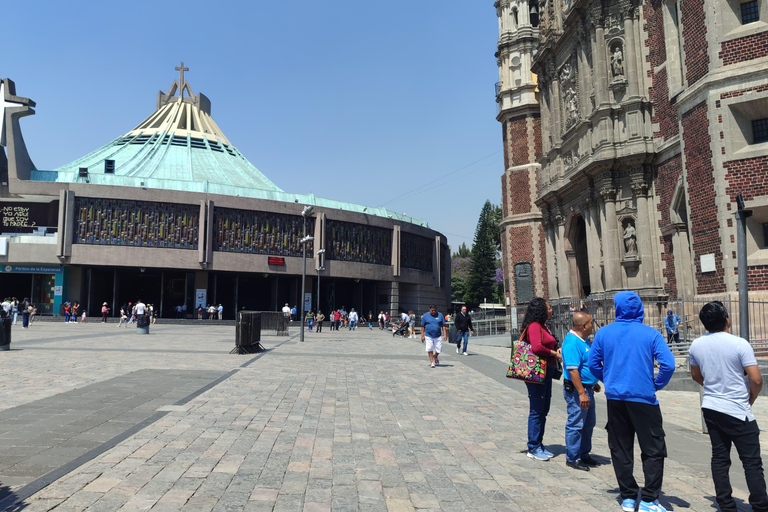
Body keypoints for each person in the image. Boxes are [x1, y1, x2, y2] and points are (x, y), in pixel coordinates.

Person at [588, 291, 675, 512]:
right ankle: (649, 499)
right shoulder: (651, 333)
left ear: (617, 308)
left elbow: (592, 364)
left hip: (616, 399)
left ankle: (627, 495)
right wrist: (656, 384)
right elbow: (668, 364)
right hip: (644, 399)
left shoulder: (604, 333)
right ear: (640, 309)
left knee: (620, 447)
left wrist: (608, 378)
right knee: (653, 449)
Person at [689, 302, 768, 512]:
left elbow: (695, 375)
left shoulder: (696, 345)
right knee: (751, 462)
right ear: (727, 319)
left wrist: (714, 388)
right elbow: (756, 379)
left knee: (720, 457)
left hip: (711, 407)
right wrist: (750, 398)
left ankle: (725, 503)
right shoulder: (739, 344)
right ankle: (760, 505)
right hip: (737, 410)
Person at [520, 297, 562, 461]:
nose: (551, 310)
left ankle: (539, 443)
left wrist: (555, 349)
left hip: (547, 371)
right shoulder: (534, 326)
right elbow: (537, 347)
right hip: (536, 372)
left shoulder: (543, 325)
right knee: (537, 409)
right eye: (549, 308)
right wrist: (553, 353)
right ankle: (533, 446)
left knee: (544, 409)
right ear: (541, 310)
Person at [562, 312, 601, 472]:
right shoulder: (572, 343)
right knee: (576, 424)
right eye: (591, 323)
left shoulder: (583, 340)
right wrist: (581, 392)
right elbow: (573, 370)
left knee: (588, 423)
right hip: (577, 391)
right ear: (584, 326)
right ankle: (573, 457)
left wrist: (592, 383)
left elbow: (585, 365)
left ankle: (584, 453)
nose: (593, 326)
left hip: (587, 388)